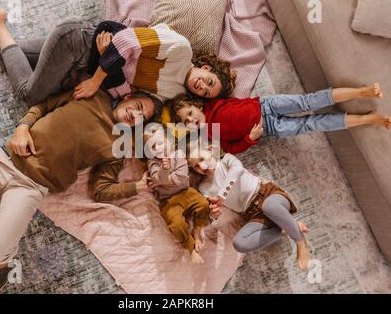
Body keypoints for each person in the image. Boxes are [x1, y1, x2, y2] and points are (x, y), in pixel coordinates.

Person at [0, 89, 162, 291]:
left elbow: (102, 190)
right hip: (2, 159)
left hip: (31, 186)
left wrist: (138, 186)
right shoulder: (93, 94)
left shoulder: (119, 147)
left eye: (142, 119)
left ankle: (1, 262)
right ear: (128, 97)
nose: (136, 115)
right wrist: (22, 127)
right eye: (139, 106)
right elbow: (44, 105)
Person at [0, 0, 235, 106]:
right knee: (29, 94)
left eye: (205, 91)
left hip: (85, 59)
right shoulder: (181, 48)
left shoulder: (170, 93)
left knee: (7, 54)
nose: (201, 85)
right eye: (208, 81)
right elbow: (127, 40)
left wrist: (110, 65)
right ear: (207, 68)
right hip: (77, 42)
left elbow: (122, 91)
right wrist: (98, 79)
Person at [186, 143, 311, 270]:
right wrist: (214, 214)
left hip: (267, 195)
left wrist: (222, 194)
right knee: (239, 243)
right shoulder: (203, 188)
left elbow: (237, 170)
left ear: (210, 150)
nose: (202, 166)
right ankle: (286, 228)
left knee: (269, 207)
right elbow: (210, 213)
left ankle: (300, 240)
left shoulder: (226, 160)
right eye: (196, 166)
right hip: (252, 214)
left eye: (201, 159)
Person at [171, 84, 390, 154]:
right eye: (186, 122)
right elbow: (231, 148)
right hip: (270, 128)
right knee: (312, 124)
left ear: (197, 105)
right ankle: (366, 119)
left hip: (265, 104)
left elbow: (219, 85)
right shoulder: (210, 134)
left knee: (308, 102)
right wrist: (249, 138)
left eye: (190, 113)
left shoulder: (212, 103)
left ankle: (361, 92)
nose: (191, 120)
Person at [145, 124, 209, 264]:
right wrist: (163, 170)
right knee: (176, 223)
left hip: (186, 192)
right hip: (168, 200)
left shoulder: (178, 154)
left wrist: (162, 181)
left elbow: (181, 178)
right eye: (153, 147)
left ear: (170, 141)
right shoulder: (153, 163)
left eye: (160, 143)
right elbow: (157, 178)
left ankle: (197, 230)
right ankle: (191, 247)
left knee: (204, 204)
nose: (158, 148)